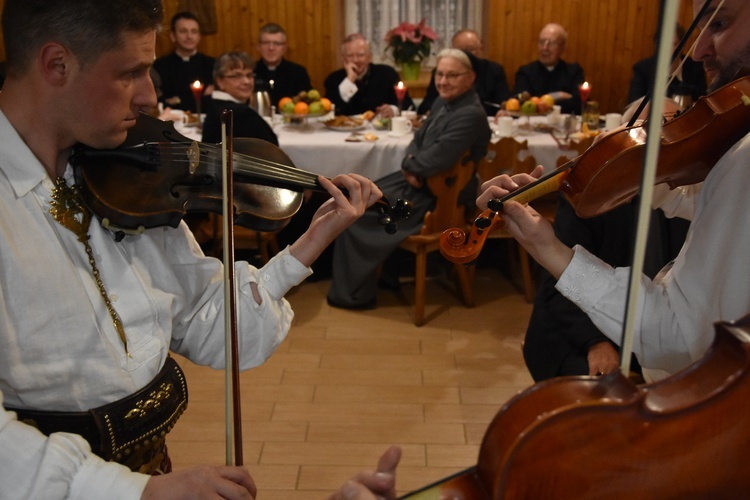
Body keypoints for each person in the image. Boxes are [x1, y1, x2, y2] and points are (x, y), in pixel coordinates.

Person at [0, 0, 383, 497]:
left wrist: (303, 250)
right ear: (57, 64)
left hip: (153, 471)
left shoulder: (128, 176)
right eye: (130, 73)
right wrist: (133, 492)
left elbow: (209, 322)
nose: (148, 97)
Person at [478, 0, 750, 382]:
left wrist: (550, 250)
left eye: (719, 22)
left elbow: (677, 335)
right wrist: (635, 171)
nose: (699, 50)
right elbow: (709, 203)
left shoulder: (744, 159)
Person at [327, 49, 491, 309]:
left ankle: (354, 294)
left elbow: (431, 161)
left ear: (470, 78)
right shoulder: (444, 101)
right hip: (421, 184)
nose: (443, 81)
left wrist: (413, 166)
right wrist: (412, 166)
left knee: (357, 210)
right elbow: (416, 141)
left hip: (441, 197)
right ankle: (380, 277)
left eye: (452, 75)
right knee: (359, 194)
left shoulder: (470, 114)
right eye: (440, 74)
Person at [418, 29, 511, 116]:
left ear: (481, 49)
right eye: (460, 50)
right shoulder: (442, 72)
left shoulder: (494, 70)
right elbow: (426, 106)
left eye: (470, 49)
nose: (465, 55)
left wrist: (503, 113)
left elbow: (504, 104)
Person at [324, 34, 414, 118]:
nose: (355, 60)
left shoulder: (387, 74)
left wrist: (393, 110)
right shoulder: (333, 79)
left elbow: (408, 104)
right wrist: (349, 80)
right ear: (343, 59)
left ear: (370, 57)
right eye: (350, 56)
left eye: (360, 55)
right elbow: (332, 111)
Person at [202, 51, 278, 145]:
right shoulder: (240, 114)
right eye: (237, 76)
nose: (246, 81)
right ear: (219, 81)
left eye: (249, 75)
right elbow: (273, 151)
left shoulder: (215, 106)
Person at [510, 23, 585, 114]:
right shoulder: (525, 72)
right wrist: (559, 95)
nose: (545, 48)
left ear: (563, 47)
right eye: (542, 42)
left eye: (552, 43)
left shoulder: (574, 72)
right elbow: (520, 102)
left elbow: (579, 104)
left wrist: (538, 101)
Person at [627, 23, 707, 106]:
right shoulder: (642, 69)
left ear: (682, 45)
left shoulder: (695, 67)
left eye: (672, 44)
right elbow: (634, 105)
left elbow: (701, 102)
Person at [152, 11, 215, 112]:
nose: (189, 36)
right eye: (183, 31)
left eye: (194, 31)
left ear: (199, 37)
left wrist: (178, 100)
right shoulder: (160, 66)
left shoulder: (212, 64)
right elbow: (159, 100)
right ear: (173, 36)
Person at [253, 22, 313, 108]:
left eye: (277, 43)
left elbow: (306, 102)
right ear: (258, 47)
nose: (271, 48)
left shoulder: (298, 72)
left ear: (285, 48)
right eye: (266, 43)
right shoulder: (250, 72)